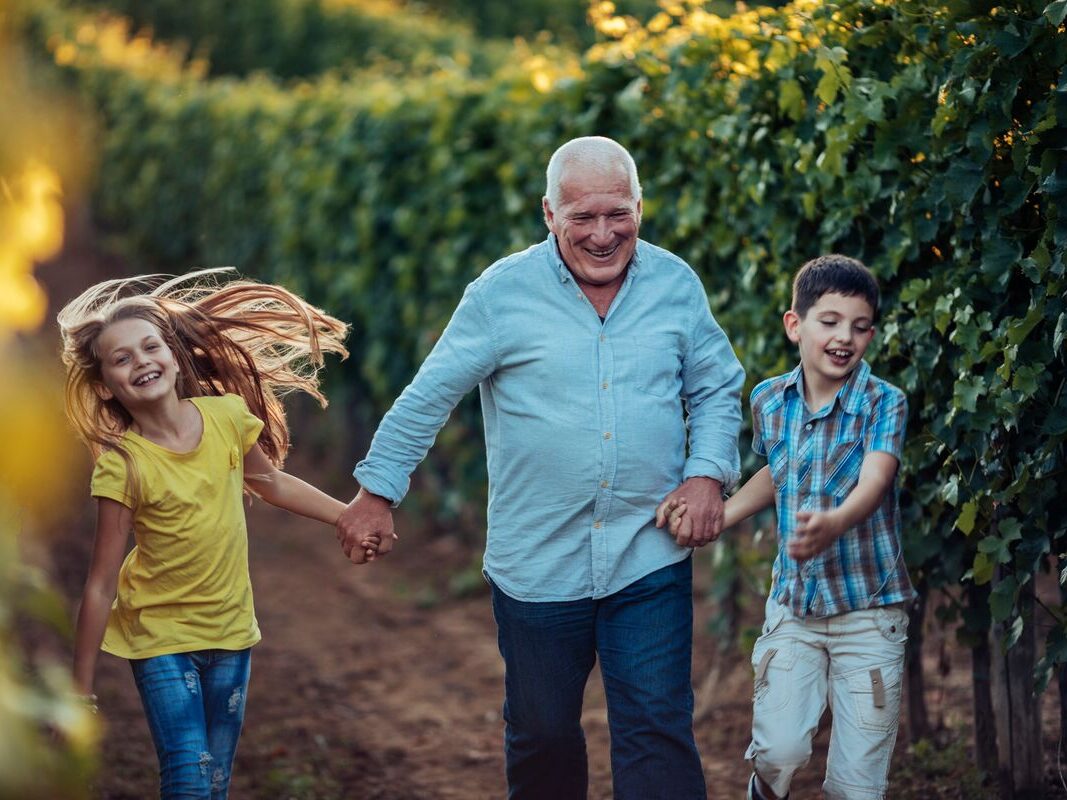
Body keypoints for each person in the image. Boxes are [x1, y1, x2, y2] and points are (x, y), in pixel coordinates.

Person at [336, 135, 744, 799]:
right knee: (543, 735)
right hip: (537, 563)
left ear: (640, 206)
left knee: (656, 729)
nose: (604, 234)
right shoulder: (501, 295)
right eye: (582, 217)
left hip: (649, 552)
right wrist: (376, 492)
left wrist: (706, 474)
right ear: (548, 215)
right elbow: (429, 395)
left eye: (618, 214)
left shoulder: (674, 284)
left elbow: (715, 387)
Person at [60, 269, 377, 799]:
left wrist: (346, 515)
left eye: (150, 346)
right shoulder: (123, 465)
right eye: (122, 358)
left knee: (214, 781)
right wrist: (80, 688)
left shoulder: (227, 418)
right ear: (105, 385)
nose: (141, 362)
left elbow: (271, 482)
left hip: (230, 632)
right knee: (187, 776)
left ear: (172, 355)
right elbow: (99, 583)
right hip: (160, 638)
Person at [664, 254, 914, 800]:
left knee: (857, 783)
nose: (845, 336)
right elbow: (777, 473)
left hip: (869, 614)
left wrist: (836, 520)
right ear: (795, 325)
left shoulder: (884, 404)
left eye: (860, 325)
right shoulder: (770, 401)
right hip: (794, 607)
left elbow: (876, 478)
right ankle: (763, 790)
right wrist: (719, 516)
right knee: (779, 751)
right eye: (829, 321)